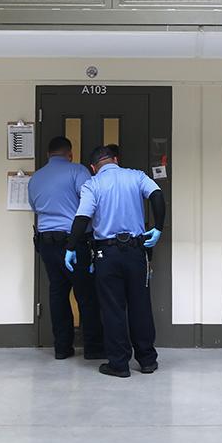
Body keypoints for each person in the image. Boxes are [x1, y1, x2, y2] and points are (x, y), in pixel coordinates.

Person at [65, 145, 165, 378]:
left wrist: (70, 247)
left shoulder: (92, 184)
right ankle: (147, 360)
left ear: (93, 167)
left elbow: (82, 217)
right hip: (136, 252)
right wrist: (158, 228)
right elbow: (157, 195)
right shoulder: (137, 176)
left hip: (106, 255)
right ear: (116, 160)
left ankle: (119, 364)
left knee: (113, 309)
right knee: (140, 305)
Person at [28, 136, 104, 361]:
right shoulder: (77, 171)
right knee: (86, 295)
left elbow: (34, 207)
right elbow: (91, 201)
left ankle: (62, 348)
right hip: (74, 241)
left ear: (48, 155)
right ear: (69, 154)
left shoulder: (35, 179)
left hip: (46, 242)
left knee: (58, 293)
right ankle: (93, 348)